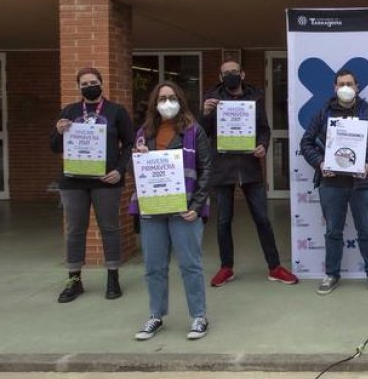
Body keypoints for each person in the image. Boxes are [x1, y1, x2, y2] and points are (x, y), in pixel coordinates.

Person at [200, 59, 298, 287]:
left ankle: (274, 267)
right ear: (220, 76)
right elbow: (202, 133)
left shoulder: (255, 98)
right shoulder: (212, 100)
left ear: (242, 74)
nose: (231, 75)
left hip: (249, 167)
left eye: (234, 71)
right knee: (223, 221)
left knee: (262, 218)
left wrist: (263, 145)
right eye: (226, 73)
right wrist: (205, 113)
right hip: (222, 168)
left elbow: (264, 129)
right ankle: (226, 267)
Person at [129, 81, 214, 341]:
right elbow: (135, 172)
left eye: (171, 97)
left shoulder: (194, 131)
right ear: (155, 103)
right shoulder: (144, 132)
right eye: (162, 98)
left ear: (180, 100)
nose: (167, 103)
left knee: (190, 265)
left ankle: (199, 316)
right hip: (153, 210)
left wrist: (196, 206)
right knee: (154, 266)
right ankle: (156, 315)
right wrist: (139, 156)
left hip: (185, 210)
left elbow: (207, 170)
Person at [300, 68, 368, 296]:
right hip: (331, 183)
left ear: (357, 87)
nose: (345, 88)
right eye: (341, 84)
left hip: (362, 183)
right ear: (334, 87)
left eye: (350, 84)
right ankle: (331, 274)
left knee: (366, 230)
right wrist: (321, 163)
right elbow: (306, 143)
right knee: (333, 231)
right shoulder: (322, 114)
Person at [50, 67, 134, 303]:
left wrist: (119, 170)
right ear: (78, 87)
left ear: (102, 83)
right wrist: (58, 131)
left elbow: (129, 144)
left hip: (106, 181)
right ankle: (74, 280)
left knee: (110, 228)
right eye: (84, 83)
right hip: (73, 181)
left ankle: (113, 277)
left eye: (93, 82)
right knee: (75, 231)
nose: (89, 86)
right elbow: (55, 146)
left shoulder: (116, 111)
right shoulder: (69, 111)